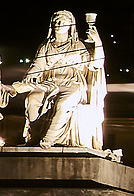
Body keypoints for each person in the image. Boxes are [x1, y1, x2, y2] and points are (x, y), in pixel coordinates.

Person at [7, 10, 104, 148]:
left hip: (72, 83)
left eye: (63, 22)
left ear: (70, 26)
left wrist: (98, 42)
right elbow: (37, 66)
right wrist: (30, 76)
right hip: (50, 83)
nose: (59, 24)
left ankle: (48, 140)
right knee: (32, 99)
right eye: (57, 21)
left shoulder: (78, 45)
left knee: (63, 104)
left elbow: (97, 64)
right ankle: (34, 137)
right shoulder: (46, 46)